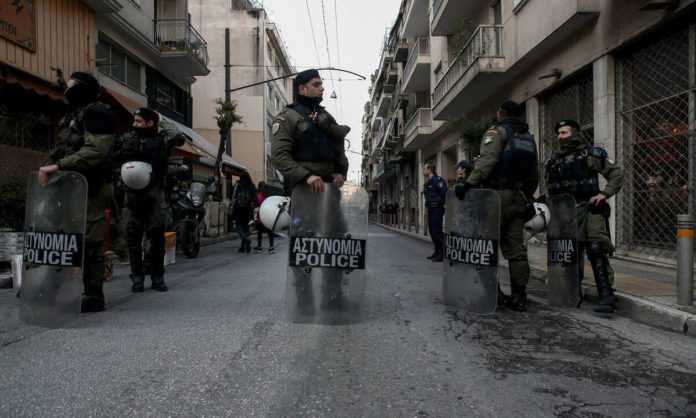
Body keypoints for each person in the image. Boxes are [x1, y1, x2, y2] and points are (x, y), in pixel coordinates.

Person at [271, 68, 351, 308]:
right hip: (304, 194)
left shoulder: (326, 117)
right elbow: (279, 156)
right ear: (302, 88)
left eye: (321, 84)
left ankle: (333, 296)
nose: (322, 88)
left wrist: (341, 172)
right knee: (304, 246)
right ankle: (304, 300)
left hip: (330, 193)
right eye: (316, 84)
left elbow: (339, 151)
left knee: (336, 244)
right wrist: (306, 176)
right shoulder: (288, 117)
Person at [38, 72, 117, 313]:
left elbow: (97, 151)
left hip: (92, 186)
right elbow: (63, 149)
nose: (67, 90)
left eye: (72, 86)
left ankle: (94, 295)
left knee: (91, 240)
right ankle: (49, 288)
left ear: (83, 89)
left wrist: (59, 166)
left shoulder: (98, 113)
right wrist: (50, 167)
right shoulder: (74, 115)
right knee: (58, 236)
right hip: (70, 185)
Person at [454, 100, 538, 311]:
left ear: (501, 113)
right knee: (517, 251)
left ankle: (494, 294)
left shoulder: (497, 132)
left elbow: (487, 161)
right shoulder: (528, 138)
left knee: (484, 246)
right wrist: (526, 195)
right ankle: (519, 296)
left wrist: (468, 184)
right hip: (518, 198)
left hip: (494, 198)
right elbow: (534, 172)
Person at [545, 119, 623, 314]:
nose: (560, 137)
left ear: (575, 133)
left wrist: (604, 194)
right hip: (565, 213)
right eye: (558, 133)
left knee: (596, 248)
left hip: (589, 208)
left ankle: (606, 296)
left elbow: (616, 174)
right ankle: (572, 291)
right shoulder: (554, 160)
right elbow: (551, 188)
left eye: (564, 133)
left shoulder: (590, 154)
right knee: (570, 251)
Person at [112, 107, 184, 293]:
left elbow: (177, 136)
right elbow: (113, 157)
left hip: (154, 195)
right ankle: (137, 278)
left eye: (139, 121)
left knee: (157, 239)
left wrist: (161, 119)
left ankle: (157, 277)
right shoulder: (128, 139)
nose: (134, 124)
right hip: (131, 197)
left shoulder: (162, 140)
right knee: (133, 239)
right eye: (134, 120)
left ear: (150, 123)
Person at [423, 163, 447, 262]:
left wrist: (439, 204)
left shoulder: (438, 180)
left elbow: (444, 193)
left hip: (437, 209)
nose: (423, 171)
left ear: (429, 169)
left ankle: (442, 254)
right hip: (431, 209)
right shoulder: (427, 182)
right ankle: (437, 252)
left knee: (437, 231)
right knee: (432, 232)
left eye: (424, 169)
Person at [232, 173, 257, 253]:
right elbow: (255, 198)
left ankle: (246, 239)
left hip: (238, 209)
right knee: (245, 228)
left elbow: (234, 197)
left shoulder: (239, 185)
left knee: (238, 227)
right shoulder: (252, 185)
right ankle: (243, 247)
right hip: (248, 210)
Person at [254, 181, 275, 253]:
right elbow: (256, 206)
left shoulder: (267, 196)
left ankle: (271, 247)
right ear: (259, 188)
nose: (263, 188)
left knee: (269, 232)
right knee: (260, 232)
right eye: (262, 187)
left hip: (267, 216)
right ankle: (260, 247)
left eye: (264, 187)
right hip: (260, 217)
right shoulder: (258, 196)